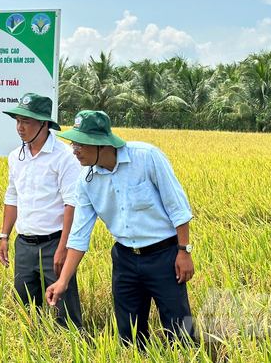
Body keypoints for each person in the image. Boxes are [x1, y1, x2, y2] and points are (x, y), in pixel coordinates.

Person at [46, 110, 195, 347]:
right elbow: (79, 234)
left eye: (79, 144)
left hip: (164, 257)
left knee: (180, 331)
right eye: (73, 143)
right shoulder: (86, 180)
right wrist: (63, 280)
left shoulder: (147, 157)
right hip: (125, 260)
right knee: (129, 334)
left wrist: (184, 251)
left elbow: (178, 207)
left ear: (101, 145)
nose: (74, 150)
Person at [0, 93, 83, 329]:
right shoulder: (16, 156)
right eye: (17, 121)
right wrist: (4, 236)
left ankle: (71, 346)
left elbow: (71, 204)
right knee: (26, 314)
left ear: (44, 123)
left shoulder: (64, 156)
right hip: (23, 244)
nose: (20, 127)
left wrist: (63, 248)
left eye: (26, 121)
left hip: (54, 243)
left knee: (65, 311)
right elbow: (12, 196)